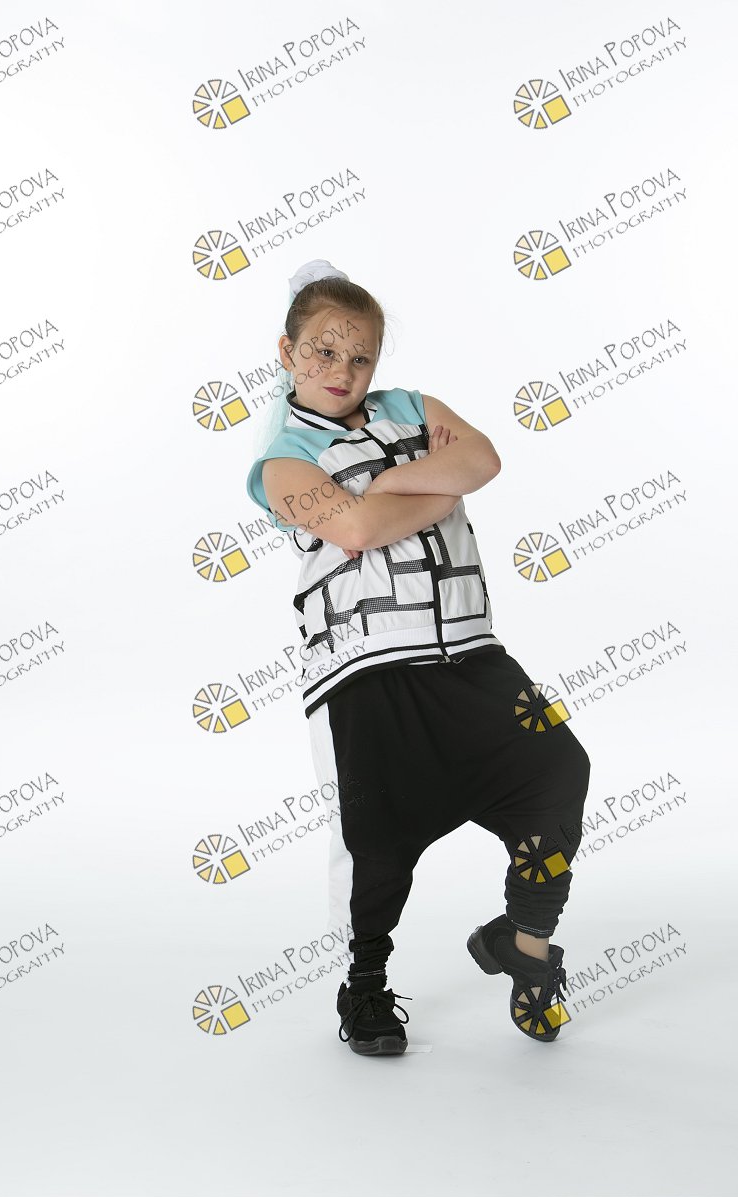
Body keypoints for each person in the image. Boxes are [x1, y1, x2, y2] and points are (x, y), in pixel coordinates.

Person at [245, 258, 592, 1056]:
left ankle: (525, 943)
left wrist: (383, 489)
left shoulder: (411, 407)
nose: (342, 369)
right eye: (323, 351)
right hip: (366, 671)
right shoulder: (282, 463)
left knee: (557, 771)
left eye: (360, 355)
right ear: (287, 352)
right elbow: (357, 530)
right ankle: (365, 984)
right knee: (375, 838)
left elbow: (483, 461)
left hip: (471, 650)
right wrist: (433, 486)